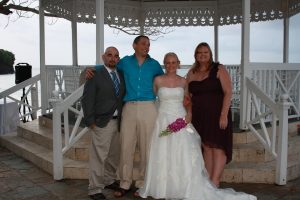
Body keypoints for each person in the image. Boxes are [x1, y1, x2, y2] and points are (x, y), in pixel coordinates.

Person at [138, 52, 256, 200]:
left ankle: (183, 186)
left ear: (178, 63)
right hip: (163, 120)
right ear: (164, 64)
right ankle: (163, 187)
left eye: (174, 62)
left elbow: (188, 101)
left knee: (182, 153)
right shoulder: (157, 80)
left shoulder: (183, 81)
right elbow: (155, 99)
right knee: (163, 153)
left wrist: (189, 115)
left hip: (180, 120)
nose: (171, 65)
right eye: (168, 62)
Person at [85, 35, 164, 197]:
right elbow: (107, 68)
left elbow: (163, 82)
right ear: (134, 45)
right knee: (126, 147)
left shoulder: (155, 65)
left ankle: (143, 183)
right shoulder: (124, 62)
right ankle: (124, 183)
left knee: (146, 148)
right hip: (128, 108)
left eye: (148, 45)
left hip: (149, 107)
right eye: (143, 43)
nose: (146, 47)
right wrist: (88, 70)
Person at [186, 42, 233, 188]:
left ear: (210, 54)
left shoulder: (219, 69)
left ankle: (215, 181)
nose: (202, 54)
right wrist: (189, 112)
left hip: (217, 114)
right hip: (199, 116)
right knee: (206, 146)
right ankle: (208, 182)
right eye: (199, 52)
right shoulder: (191, 72)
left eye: (205, 52)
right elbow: (187, 95)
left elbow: (228, 92)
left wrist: (224, 114)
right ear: (195, 55)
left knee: (218, 146)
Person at [81, 47, 125, 200]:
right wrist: (90, 121)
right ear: (103, 57)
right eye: (109, 55)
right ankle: (94, 189)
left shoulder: (121, 73)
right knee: (98, 157)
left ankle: (109, 180)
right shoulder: (95, 73)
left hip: (118, 122)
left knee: (113, 155)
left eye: (116, 56)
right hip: (101, 123)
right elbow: (86, 99)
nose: (113, 58)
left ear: (119, 58)